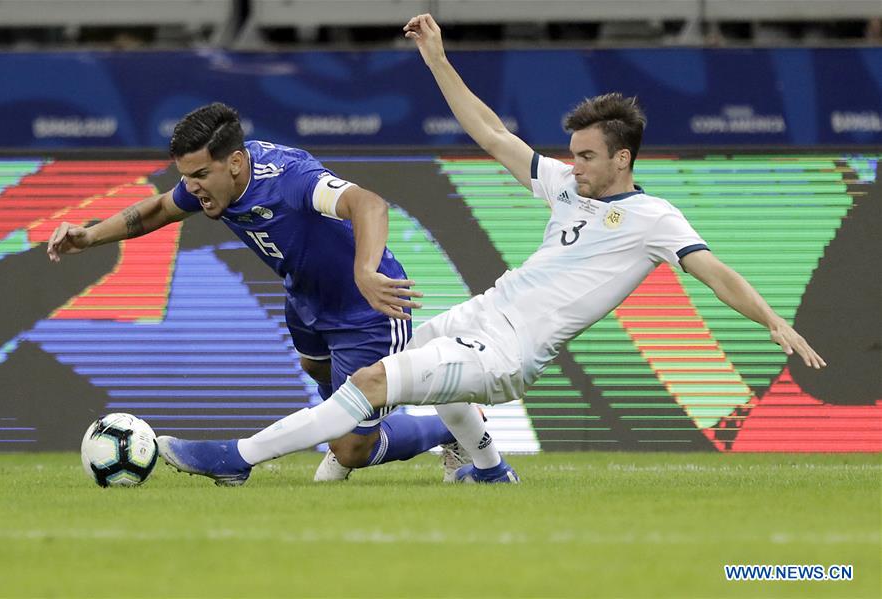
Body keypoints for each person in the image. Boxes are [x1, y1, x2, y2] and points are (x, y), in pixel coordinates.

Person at [156, 15, 826, 484]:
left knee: (369, 383)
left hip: (509, 354)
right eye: (573, 152)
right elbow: (487, 132)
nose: (573, 163)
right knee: (398, 359)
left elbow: (714, 272)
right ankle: (486, 466)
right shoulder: (567, 186)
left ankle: (237, 455)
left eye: (588, 155)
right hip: (482, 313)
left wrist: (770, 319)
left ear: (623, 158)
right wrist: (437, 60)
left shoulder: (653, 218)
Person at [46, 102, 491, 485]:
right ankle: (347, 423)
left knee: (353, 449)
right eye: (186, 176)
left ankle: (446, 431)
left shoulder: (290, 179)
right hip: (305, 300)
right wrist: (89, 236)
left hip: (367, 308)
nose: (192, 187)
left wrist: (365, 271)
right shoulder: (209, 185)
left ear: (235, 162)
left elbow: (368, 203)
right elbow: (161, 207)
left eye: (201, 174)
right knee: (313, 365)